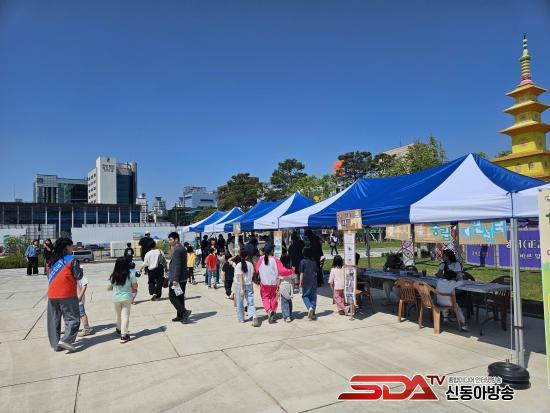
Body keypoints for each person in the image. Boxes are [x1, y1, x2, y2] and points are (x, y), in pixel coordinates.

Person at [47, 238, 84, 352]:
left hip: (52, 294)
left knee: (54, 320)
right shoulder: (71, 260)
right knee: (73, 319)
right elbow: (78, 276)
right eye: (72, 246)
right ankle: (66, 340)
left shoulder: (51, 261)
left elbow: (49, 276)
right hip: (67, 294)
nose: (73, 248)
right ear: (67, 247)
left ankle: (56, 345)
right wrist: (81, 270)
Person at [255, 245, 294, 324]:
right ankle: (273, 312)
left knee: (265, 297)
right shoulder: (275, 260)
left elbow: (256, 270)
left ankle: (269, 310)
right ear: (272, 251)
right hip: (274, 283)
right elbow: (282, 271)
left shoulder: (260, 260)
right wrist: (291, 270)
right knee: (273, 298)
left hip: (264, 283)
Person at [108, 257, 138, 343]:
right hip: (127, 298)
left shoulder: (113, 275)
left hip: (116, 298)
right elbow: (135, 286)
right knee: (125, 316)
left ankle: (118, 329)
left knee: (118, 315)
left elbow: (109, 288)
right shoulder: (130, 274)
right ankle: (124, 335)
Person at [167, 232, 191, 322]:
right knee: (179, 297)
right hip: (182, 277)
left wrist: (175, 279)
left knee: (172, 296)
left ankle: (184, 312)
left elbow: (178, 265)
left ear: (176, 239)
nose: (169, 241)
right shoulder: (182, 248)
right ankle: (180, 316)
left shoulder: (177, 250)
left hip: (177, 279)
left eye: (170, 239)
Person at [233, 252, 259, 326]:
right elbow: (252, 275)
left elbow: (240, 276)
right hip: (249, 284)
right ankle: (253, 315)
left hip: (239, 285)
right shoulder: (250, 264)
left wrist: (241, 289)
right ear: (247, 256)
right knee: (250, 301)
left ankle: (241, 319)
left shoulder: (238, 265)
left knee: (240, 302)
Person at [299, 247, 319, 320]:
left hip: (306, 281)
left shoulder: (302, 261)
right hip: (314, 281)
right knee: (313, 297)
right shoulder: (314, 262)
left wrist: (300, 283)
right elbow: (316, 272)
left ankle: (310, 307)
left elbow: (301, 273)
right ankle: (313, 313)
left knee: (305, 296)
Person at [278, 254, 296, 322]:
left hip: (283, 286)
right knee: (289, 300)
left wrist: (277, 288)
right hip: (290, 286)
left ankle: (286, 316)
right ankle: (290, 314)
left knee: (284, 301)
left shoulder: (281, 270)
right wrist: (293, 287)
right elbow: (294, 279)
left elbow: (279, 280)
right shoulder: (292, 270)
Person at [77, 272, 94, 336]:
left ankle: (87, 328)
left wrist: (80, 296)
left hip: (79, 299)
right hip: (71, 298)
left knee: (81, 313)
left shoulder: (80, 275)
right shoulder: (70, 273)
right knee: (73, 314)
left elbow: (85, 284)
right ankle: (70, 327)